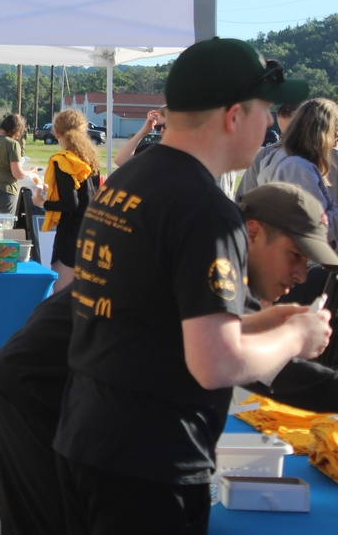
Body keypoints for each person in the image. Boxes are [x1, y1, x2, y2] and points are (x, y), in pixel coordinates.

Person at [54, 38, 328, 534]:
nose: (270, 124)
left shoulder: (128, 179)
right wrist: (296, 339)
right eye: (265, 110)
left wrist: (263, 321)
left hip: (89, 435)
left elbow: (153, 313)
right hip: (151, 459)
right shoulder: (206, 209)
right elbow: (215, 364)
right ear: (233, 115)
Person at [0, 181, 338, 535]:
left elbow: (177, 328)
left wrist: (259, 325)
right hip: (35, 391)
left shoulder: (210, 255)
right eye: (295, 256)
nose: (301, 275)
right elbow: (250, 365)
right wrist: (292, 337)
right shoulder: (212, 267)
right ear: (253, 233)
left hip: (64, 392)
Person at [234, 98, 338, 246]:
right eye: (334, 132)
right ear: (321, 133)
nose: (335, 139)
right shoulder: (297, 167)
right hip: (303, 258)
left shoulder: (284, 159)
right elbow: (315, 229)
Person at [32, 109, 101, 290]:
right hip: (91, 232)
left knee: (61, 293)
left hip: (70, 234)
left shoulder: (63, 160)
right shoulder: (90, 159)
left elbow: (71, 203)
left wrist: (43, 203)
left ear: (56, 132)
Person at [235, 103, 298, 200]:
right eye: (283, 135)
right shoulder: (265, 156)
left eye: (294, 135)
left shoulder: (321, 156)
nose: (287, 143)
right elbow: (243, 199)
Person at [0, 113, 35, 215]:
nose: (18, 137)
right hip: (3, 192)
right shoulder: (11, 144)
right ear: (16, 129)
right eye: (19, 132)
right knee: (4, 229)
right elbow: (17, 173)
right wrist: (30, 172)